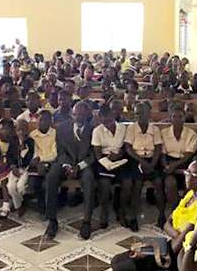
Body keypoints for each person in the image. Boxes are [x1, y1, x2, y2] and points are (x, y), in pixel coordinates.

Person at [110, 156, 197, 271]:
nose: (187, 176)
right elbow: (166, 224)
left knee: (121, 268)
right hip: (169, 244)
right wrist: (177, 235)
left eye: (192, 174)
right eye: (187, 172)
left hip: (176, 255)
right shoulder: (190, 195)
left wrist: (161, 245)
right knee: (116, 260)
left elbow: (180, 246)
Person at [44, 102, 97, 240]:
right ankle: (52, 221)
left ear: (87, 115)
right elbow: (60, 151)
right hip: (65, 163)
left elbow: (93, 155)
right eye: (74, 114)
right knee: (52, 177)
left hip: (83, 165)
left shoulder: (93, 129)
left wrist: (79, 166)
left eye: (80, 114)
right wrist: (67, 165)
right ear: (71, 114)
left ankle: (86, 222)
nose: (77, 117)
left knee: (89, 179)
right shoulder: (62, 128)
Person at [125, 101, 165, 228]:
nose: (138, 116)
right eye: (136, 114)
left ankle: (162, 214)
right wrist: (142, 162)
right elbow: (128, 148)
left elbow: (158, 147)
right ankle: (133, 216)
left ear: (148, 114)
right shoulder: (131, 128)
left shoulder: (155, 129)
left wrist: (152, 164)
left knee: (158, 182)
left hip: (152, 160)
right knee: (137, 183)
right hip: (136, 160)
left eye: (141, 113)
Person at [92, 105, 133, 230]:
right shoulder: (97, 131)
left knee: (127, 183)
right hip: (104, 160)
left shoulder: (122, 128)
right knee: (104, 184)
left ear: (113, 116)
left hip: (120, 159)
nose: (108, 124)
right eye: (104, 122)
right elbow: (98, 154)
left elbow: (125, 147)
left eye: (109, 120)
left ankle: (121, 211)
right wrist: (108, 160)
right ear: (100, 120)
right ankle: (104, 212)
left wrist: (118, 155)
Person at [161, 106, 197, 210]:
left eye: (180, 116)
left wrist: (174, 166)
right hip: (168, 161)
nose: (177, 119)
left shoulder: (191, 134)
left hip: (185, 162)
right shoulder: (164, 133)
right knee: (170, 183)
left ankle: (187, 209)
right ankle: (174, 211)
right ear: (170, 118)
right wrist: (167, 166)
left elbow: (189, 154)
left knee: (190, 181)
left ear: (184, 118)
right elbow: (162, 154)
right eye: (174, 116)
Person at [9, 118, 35, 216]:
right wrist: (12, 167)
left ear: (27, 131)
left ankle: (18, 204)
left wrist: (24, 147)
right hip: (15, 168)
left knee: (20, 187)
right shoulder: (13, 141)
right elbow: (9, 156)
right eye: (18, 129)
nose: (20, 132)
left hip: (25, 169)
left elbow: (30, 157)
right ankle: (19, 204)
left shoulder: (30, 142)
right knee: (10, 187)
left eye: (23, 129)